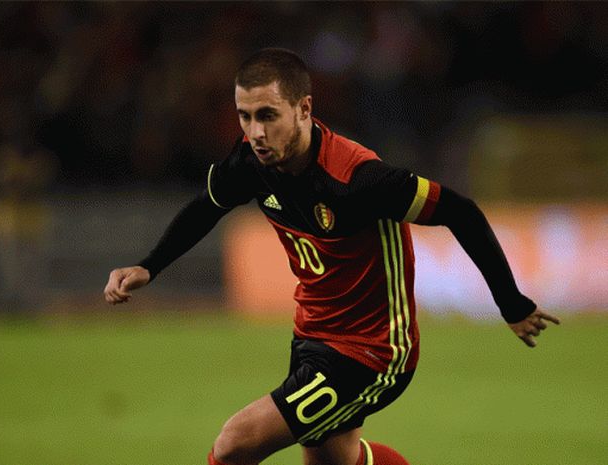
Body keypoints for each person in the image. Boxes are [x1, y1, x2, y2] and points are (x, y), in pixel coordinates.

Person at [104, 48, 560, 465]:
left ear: (304, 109)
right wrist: (149, 265)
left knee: (234, 444)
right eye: (244, 117)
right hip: (313, 337)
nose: (255, 132)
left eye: (267, 115)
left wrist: (510, 303)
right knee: (335, 462)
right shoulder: (251, 161)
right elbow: (208, 205)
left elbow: (460, 211)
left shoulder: (357, 180)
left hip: (373, 351)